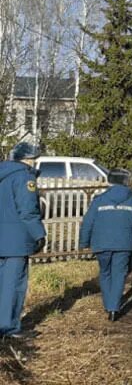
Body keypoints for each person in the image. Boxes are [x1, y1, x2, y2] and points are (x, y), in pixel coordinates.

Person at [79, 168, 132, 321]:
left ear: (109, 181)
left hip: (101, 243)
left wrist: (84, 241)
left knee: (105, 272)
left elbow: (88, 222)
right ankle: (114, 308)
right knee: (119, 274)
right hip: (124, 243)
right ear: (125, 182)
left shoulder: (99, 200)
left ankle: (108, 303)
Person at [0, 143, 46, 339]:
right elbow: (28, 211)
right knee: (14, 284)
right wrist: (39, 234)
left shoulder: (3, 174)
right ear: (28, 159)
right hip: (15, 241)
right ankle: (8, 327)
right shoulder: (24, 177)